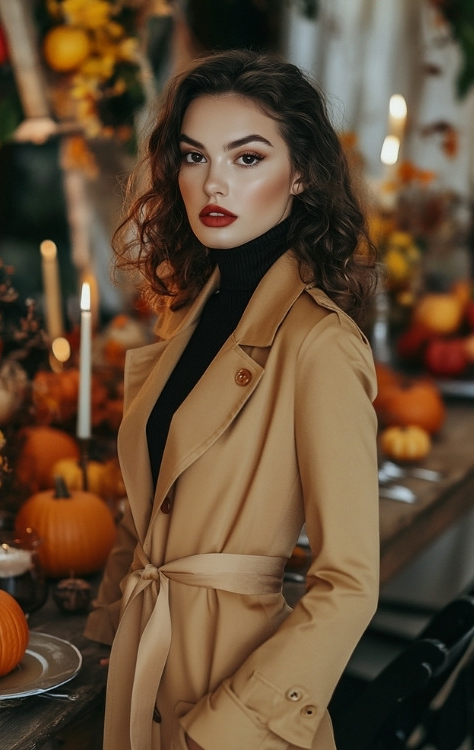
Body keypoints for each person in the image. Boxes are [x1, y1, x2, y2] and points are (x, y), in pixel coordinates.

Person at [85, 48, 380, 750]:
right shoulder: (187, 312)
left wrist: (236, 722)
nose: (214, 182)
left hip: (233, 704)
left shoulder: (320, 344)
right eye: (194, 157)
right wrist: (103, 634)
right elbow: (150, 501)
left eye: (247, 158)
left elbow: (350, 582)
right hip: (138, 669)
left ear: (300, 172)